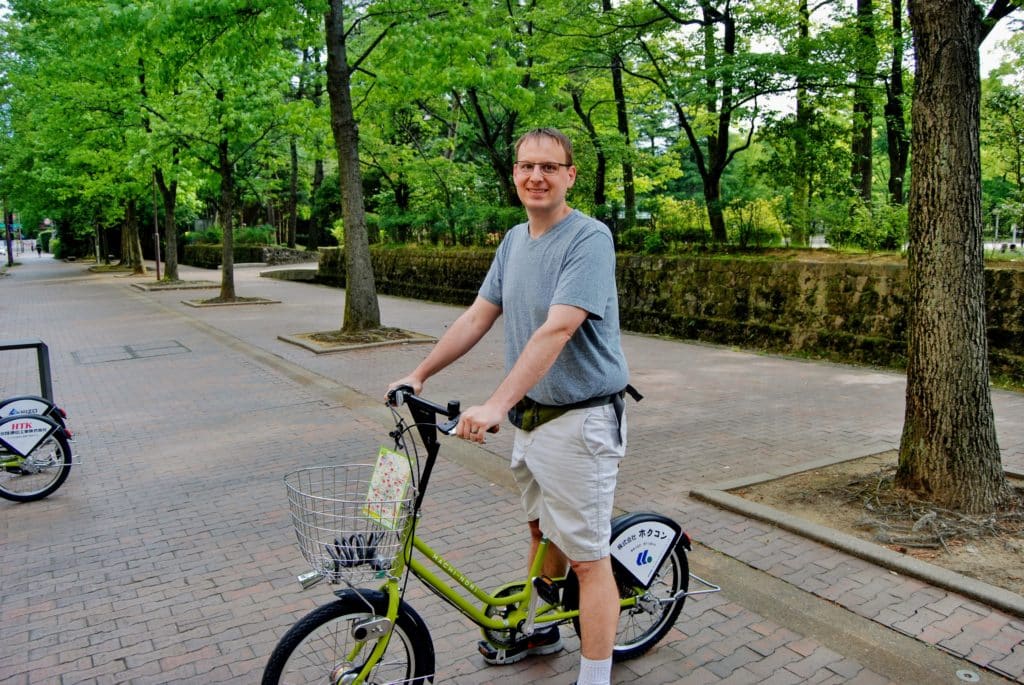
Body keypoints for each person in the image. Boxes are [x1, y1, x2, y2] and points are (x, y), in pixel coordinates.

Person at [390, 127, 632, 685]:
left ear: (570, 175)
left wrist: (498, 401)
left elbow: (558, 328)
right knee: (541, 534)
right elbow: (478, 315)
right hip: (532, 421)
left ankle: (594, 678)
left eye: (549, 167)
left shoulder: (588, 239)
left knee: (589, 558)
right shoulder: (514, 242)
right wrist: (419, 373)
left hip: (581, 421)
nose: (536, 176)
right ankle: (539, 627)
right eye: (527, 166)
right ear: (515, 175)